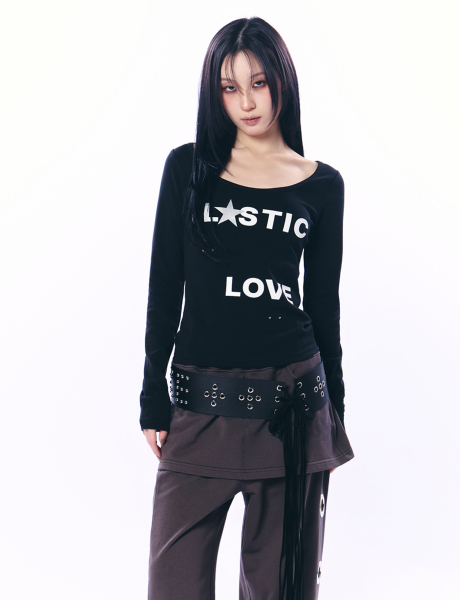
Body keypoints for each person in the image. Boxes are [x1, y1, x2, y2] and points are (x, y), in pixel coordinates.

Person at [139, 16, 355, 600]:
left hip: (293, 415)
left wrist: (334, 416)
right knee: (172, 586)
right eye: (230, 88)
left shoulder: (322, 185)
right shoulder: (187, 170)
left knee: (281, 591)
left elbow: (324, 307)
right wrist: (152, 396)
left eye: (258, 82)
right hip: (199, 410)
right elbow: (164, 288)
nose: (248, 102)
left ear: (282, 80)